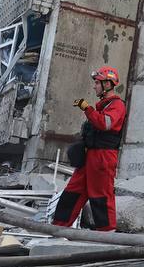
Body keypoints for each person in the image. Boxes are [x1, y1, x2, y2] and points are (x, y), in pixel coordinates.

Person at [52, 66, 126, 231]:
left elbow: (105, 123)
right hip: (90, 157)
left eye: (97, 83)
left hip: (103, 158)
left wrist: (87, 109)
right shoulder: (103, 106)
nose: (94, 86)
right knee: (72, 192)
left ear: (107, 84)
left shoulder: (117, 105)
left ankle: (106, 234)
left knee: (101, 196)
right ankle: (58, 229)